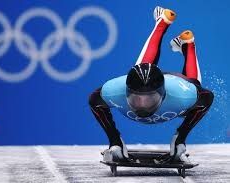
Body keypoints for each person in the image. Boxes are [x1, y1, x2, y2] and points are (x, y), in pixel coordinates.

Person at [89, 6, 214, 163]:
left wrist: (180, 137)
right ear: (126, 92)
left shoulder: (182, 95)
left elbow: (207, 97)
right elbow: (94, 101)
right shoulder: (114, 90)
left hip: (176, 83)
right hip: (159, 88)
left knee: (193, 90)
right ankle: (184, 41)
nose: (142, 105)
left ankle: (187, 44)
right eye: (136, 98)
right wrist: (114, 140)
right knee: (141, 70)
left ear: (163, 94)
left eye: (149, 98)